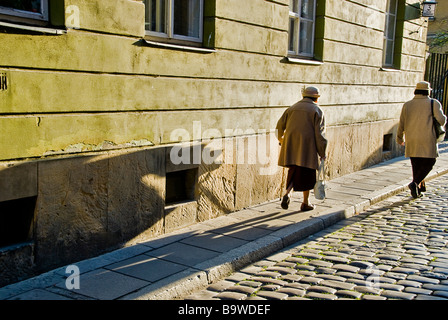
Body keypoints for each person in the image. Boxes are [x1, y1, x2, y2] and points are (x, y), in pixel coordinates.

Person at [276, 86, 328, 211]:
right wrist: (322, 152)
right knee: (307, 174)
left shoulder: (292, 108)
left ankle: (288, 194)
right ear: (316, 98)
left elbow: (279, 128)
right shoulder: (317, 110)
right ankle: (305, 202)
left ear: (303, 96)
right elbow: (320, 134)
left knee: (293, 171)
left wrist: (282, 141)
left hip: (291, 148)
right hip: (307, 149)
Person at [397, 81, 447, 199]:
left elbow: (402, 122)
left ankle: (418, 189)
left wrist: (399, 137)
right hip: (427, 137)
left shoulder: (407, 104)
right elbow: (442, 120)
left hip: (412, 138)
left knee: (416, 164)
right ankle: (415, 184)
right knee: (430, 162)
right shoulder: (433, 103)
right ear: (428, 91)